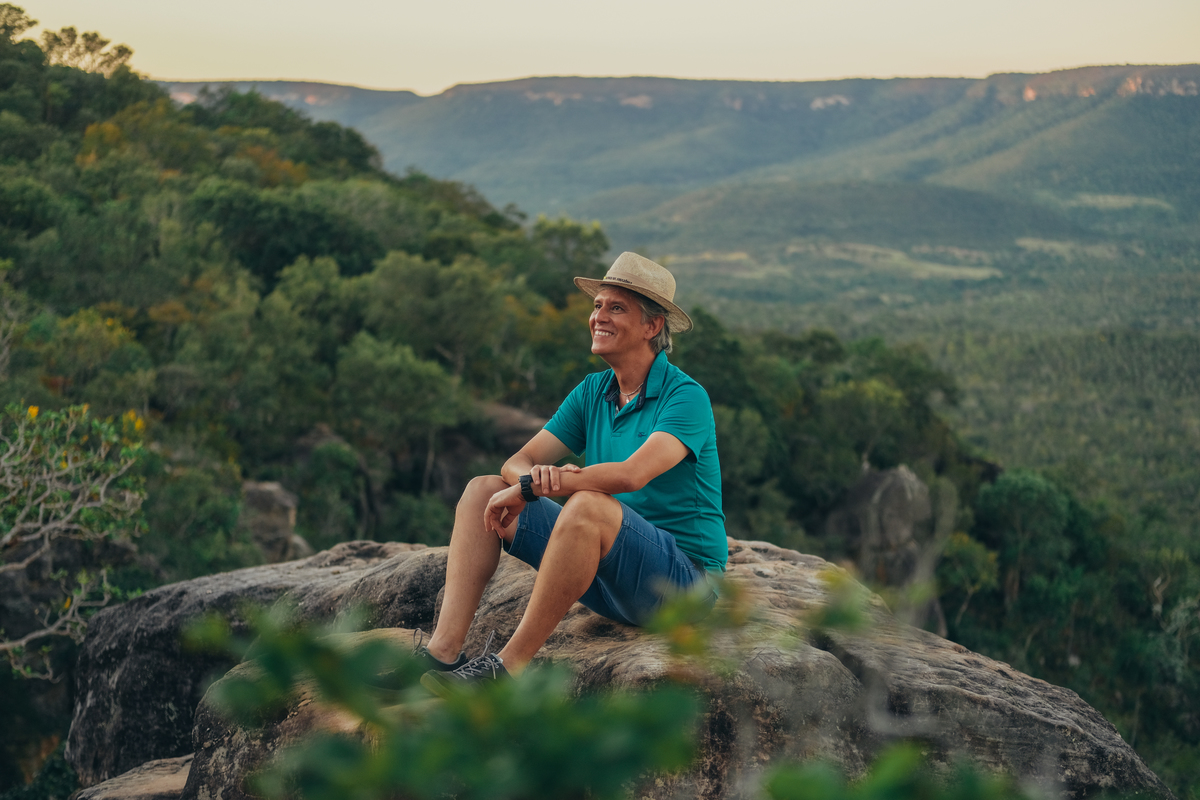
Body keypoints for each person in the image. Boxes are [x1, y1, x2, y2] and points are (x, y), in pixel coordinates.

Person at [419, 251, 727, 691]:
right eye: (597, 305)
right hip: (608, 574)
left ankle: (507, 669)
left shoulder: (685, 398)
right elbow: (516, 463)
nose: (598, 316)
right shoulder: (593, 390)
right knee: (481, 490)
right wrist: (529, 482)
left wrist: (552, 483)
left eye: (616, 308)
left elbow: (631, 476)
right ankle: (442, 654)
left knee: (588, 505)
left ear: (652, 326)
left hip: (680, 586)